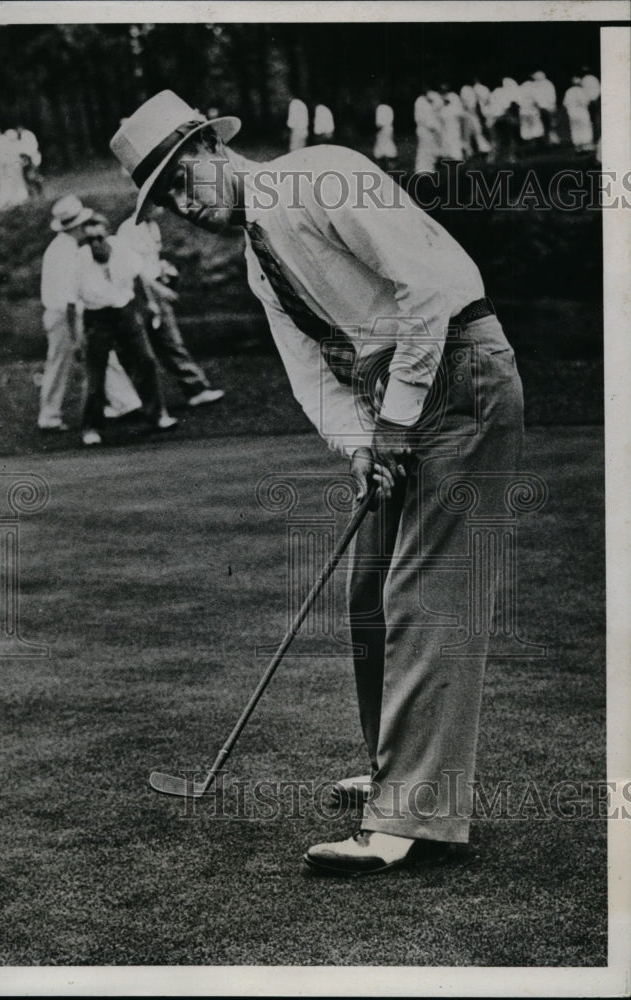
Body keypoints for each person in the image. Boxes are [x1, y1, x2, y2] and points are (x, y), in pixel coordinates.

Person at [111, 91, 524, 875]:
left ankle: (410, 820)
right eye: (161, 198)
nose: (177, 206)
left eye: (177, 181)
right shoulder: (257, 263)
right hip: (396, 402)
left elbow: (431, 287)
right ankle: (394, 770)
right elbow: (312, 377)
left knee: (424, 592)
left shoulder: (322, 175)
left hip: (463, 372)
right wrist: (361, 446)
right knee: (366, 591)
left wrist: (398, 417)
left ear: (210, 147)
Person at [117, 206, 225, 409]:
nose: (159, 207)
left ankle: (194, 388)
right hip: (140, 293)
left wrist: (164, 271)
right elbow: (132, 269)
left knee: (167, 341)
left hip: (155, 287)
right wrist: (159, 291)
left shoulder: (152, 226)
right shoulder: (128, 230)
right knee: (149, 345)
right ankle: (130, 399)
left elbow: (150, 261)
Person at [76, 213, 170, 446]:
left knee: (146, 360)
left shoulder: (122, 249)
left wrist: (150, 303)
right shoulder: (79, 260)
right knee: (95, 375)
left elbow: (139, 278)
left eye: (99, 237)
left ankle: (157, 415)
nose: (95, 244)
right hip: (96, 317)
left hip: (125, 312)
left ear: (107, 234)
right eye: (90, 240)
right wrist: (77, 337)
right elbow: (72, 302)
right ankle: (91, 427)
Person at [38, 195, 93, 431]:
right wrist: (76, 322)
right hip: (63, 314)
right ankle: (48, 416)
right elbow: (67, 291)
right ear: (77, 226)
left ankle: (125, 402)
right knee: (60, 363)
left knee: (97, 356)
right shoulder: (63, 250)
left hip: (67, 313)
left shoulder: (66, 246)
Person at [459, 81, 491, 158]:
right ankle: (468, 152)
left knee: (478, 132)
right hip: (468, 114)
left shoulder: (477, 89)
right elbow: (466, 104)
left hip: (474, 114)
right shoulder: (465, 89)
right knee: (467, 134)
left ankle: (483, 149)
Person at [413, 88, 441, 173]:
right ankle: (421, 168)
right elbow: (420, 118)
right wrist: (430, 126)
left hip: (431, 129)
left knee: (431, 148)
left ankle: (430, 167)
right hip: (423, 129)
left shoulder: (430, 101)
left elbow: (437, 109)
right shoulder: (419, 101)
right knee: (424, 148)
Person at [563, 76, 594, 153]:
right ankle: (586, 146)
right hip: (582, 113)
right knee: (585, 128)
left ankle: (578, 146)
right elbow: (586, 102)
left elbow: (565, 103)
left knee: (575, 129)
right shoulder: (582, 91)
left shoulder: (568, 91)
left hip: (572, 113)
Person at [530, 71, 560, 146]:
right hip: (543, 108)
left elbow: (551, 96)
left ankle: (554, 140)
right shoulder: (537, 85)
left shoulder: (546, 84)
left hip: (547, 107)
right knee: (546, 125)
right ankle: (549, 141)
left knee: (550, 125)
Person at [436, 84, 464, 161]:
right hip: (442, 121)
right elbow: (436, 110)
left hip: (453, 121)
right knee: (445, 139)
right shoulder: (438, 97)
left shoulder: (454, 96)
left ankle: (457, 156)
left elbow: (458, 109)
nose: (444, 89)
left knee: (455, 137)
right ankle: (447, 155)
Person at [17, 125, 44, 197]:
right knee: (33, 176)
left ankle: (36, 193)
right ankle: (37, 193)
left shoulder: (25, 135)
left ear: (20, 128)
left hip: (30, 157)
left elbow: (28, 148)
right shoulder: (28, 134)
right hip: (31, 157)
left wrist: (27, 158)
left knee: (31, 176)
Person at [518, 76, 544, 151]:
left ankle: (529, 146)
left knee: (526, 128)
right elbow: (536, 99)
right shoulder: (533, 87)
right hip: (531, 109)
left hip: (522, 110)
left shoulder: (521, 87)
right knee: (536, 127)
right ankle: (536, 146)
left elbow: (517, 100)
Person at [373, 102, 397, 172]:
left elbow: (379, 123)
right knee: (385, 148)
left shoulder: (382, 108)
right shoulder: (386, 108)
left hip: (384, 129)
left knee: (385, 148)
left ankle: (387, 166)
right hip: (386, 129)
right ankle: (387, 166)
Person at [580, 67, 601, 144]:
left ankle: (593, 136)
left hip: (589, 101)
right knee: (596, 119)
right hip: (595, 100)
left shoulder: (584, 80)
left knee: (590, 119)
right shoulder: (594, 78)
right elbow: (599, 88)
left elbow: (583, 91)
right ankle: (596, 135)